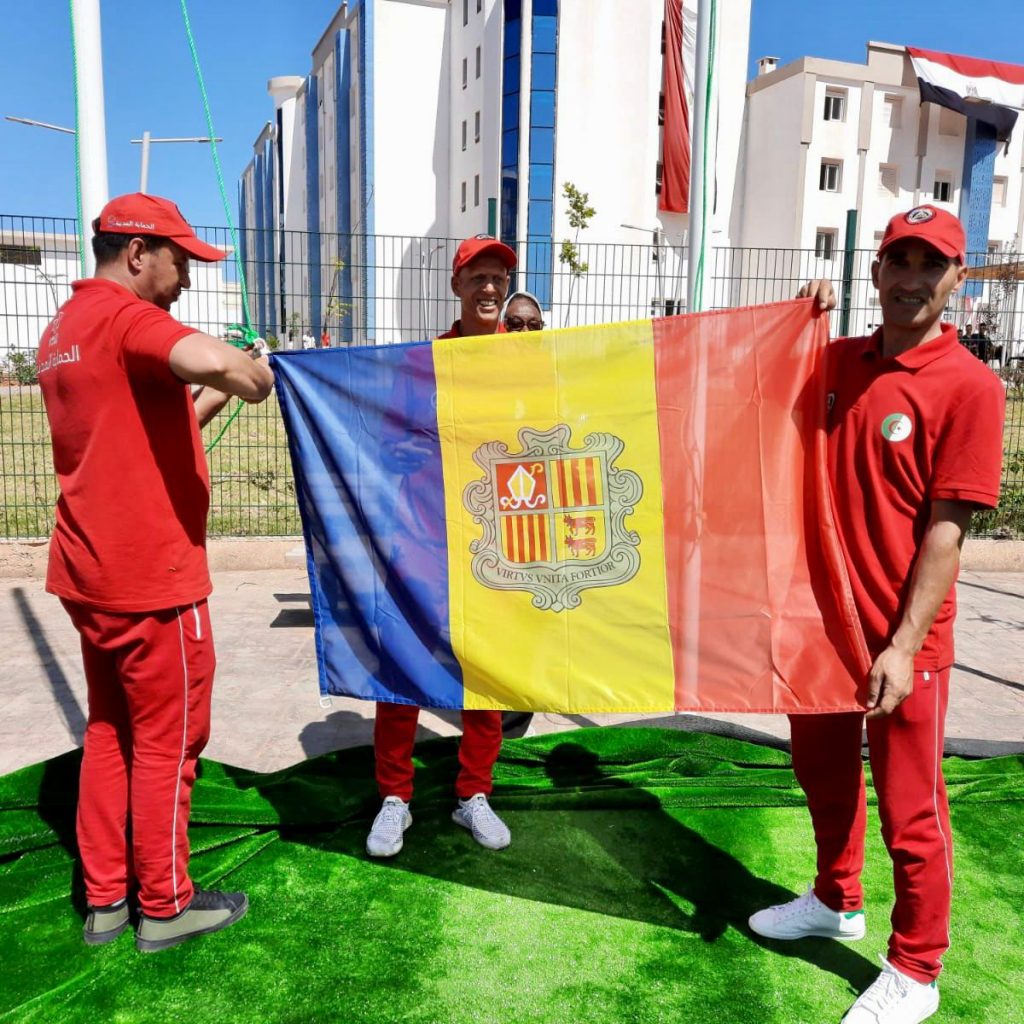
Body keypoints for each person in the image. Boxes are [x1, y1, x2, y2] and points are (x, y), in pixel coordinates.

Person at [749, 206, 1006, 1024]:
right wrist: (795, 320)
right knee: (822, 778)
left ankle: (916, 968)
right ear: (875, 270)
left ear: (957, 280)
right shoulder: (835, 360)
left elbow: (946, 533)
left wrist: (902, 645)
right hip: (819, 628)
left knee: (911, 808)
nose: (911, 278)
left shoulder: (972, 387)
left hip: (902, 642)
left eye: (931, 265)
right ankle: (834, 898)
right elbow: (747, 393)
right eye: (899, 260)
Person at [35, 193, 275, 953]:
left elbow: (149, 420)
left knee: (108, 731)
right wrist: (249, 373)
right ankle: (166, 905)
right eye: (181, 262)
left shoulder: (65, 328)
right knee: (169, 743)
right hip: (151, 581)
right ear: (136, 252)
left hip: (88, 573)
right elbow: (210, 360)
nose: (188, 281)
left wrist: (221, 384)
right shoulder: (127, 317)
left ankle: (106, 902)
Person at [367, 235, 520, 859]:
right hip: (424, 537)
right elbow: (386, 444)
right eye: (478, 276)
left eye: (499, 277)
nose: (489, 287)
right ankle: (394, 797)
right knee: (403, 666)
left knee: (486, 672)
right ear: (456, 286)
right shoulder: (420, 362)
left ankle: (473, 793)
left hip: (496, 539)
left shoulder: (531, 359)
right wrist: (403, 454)